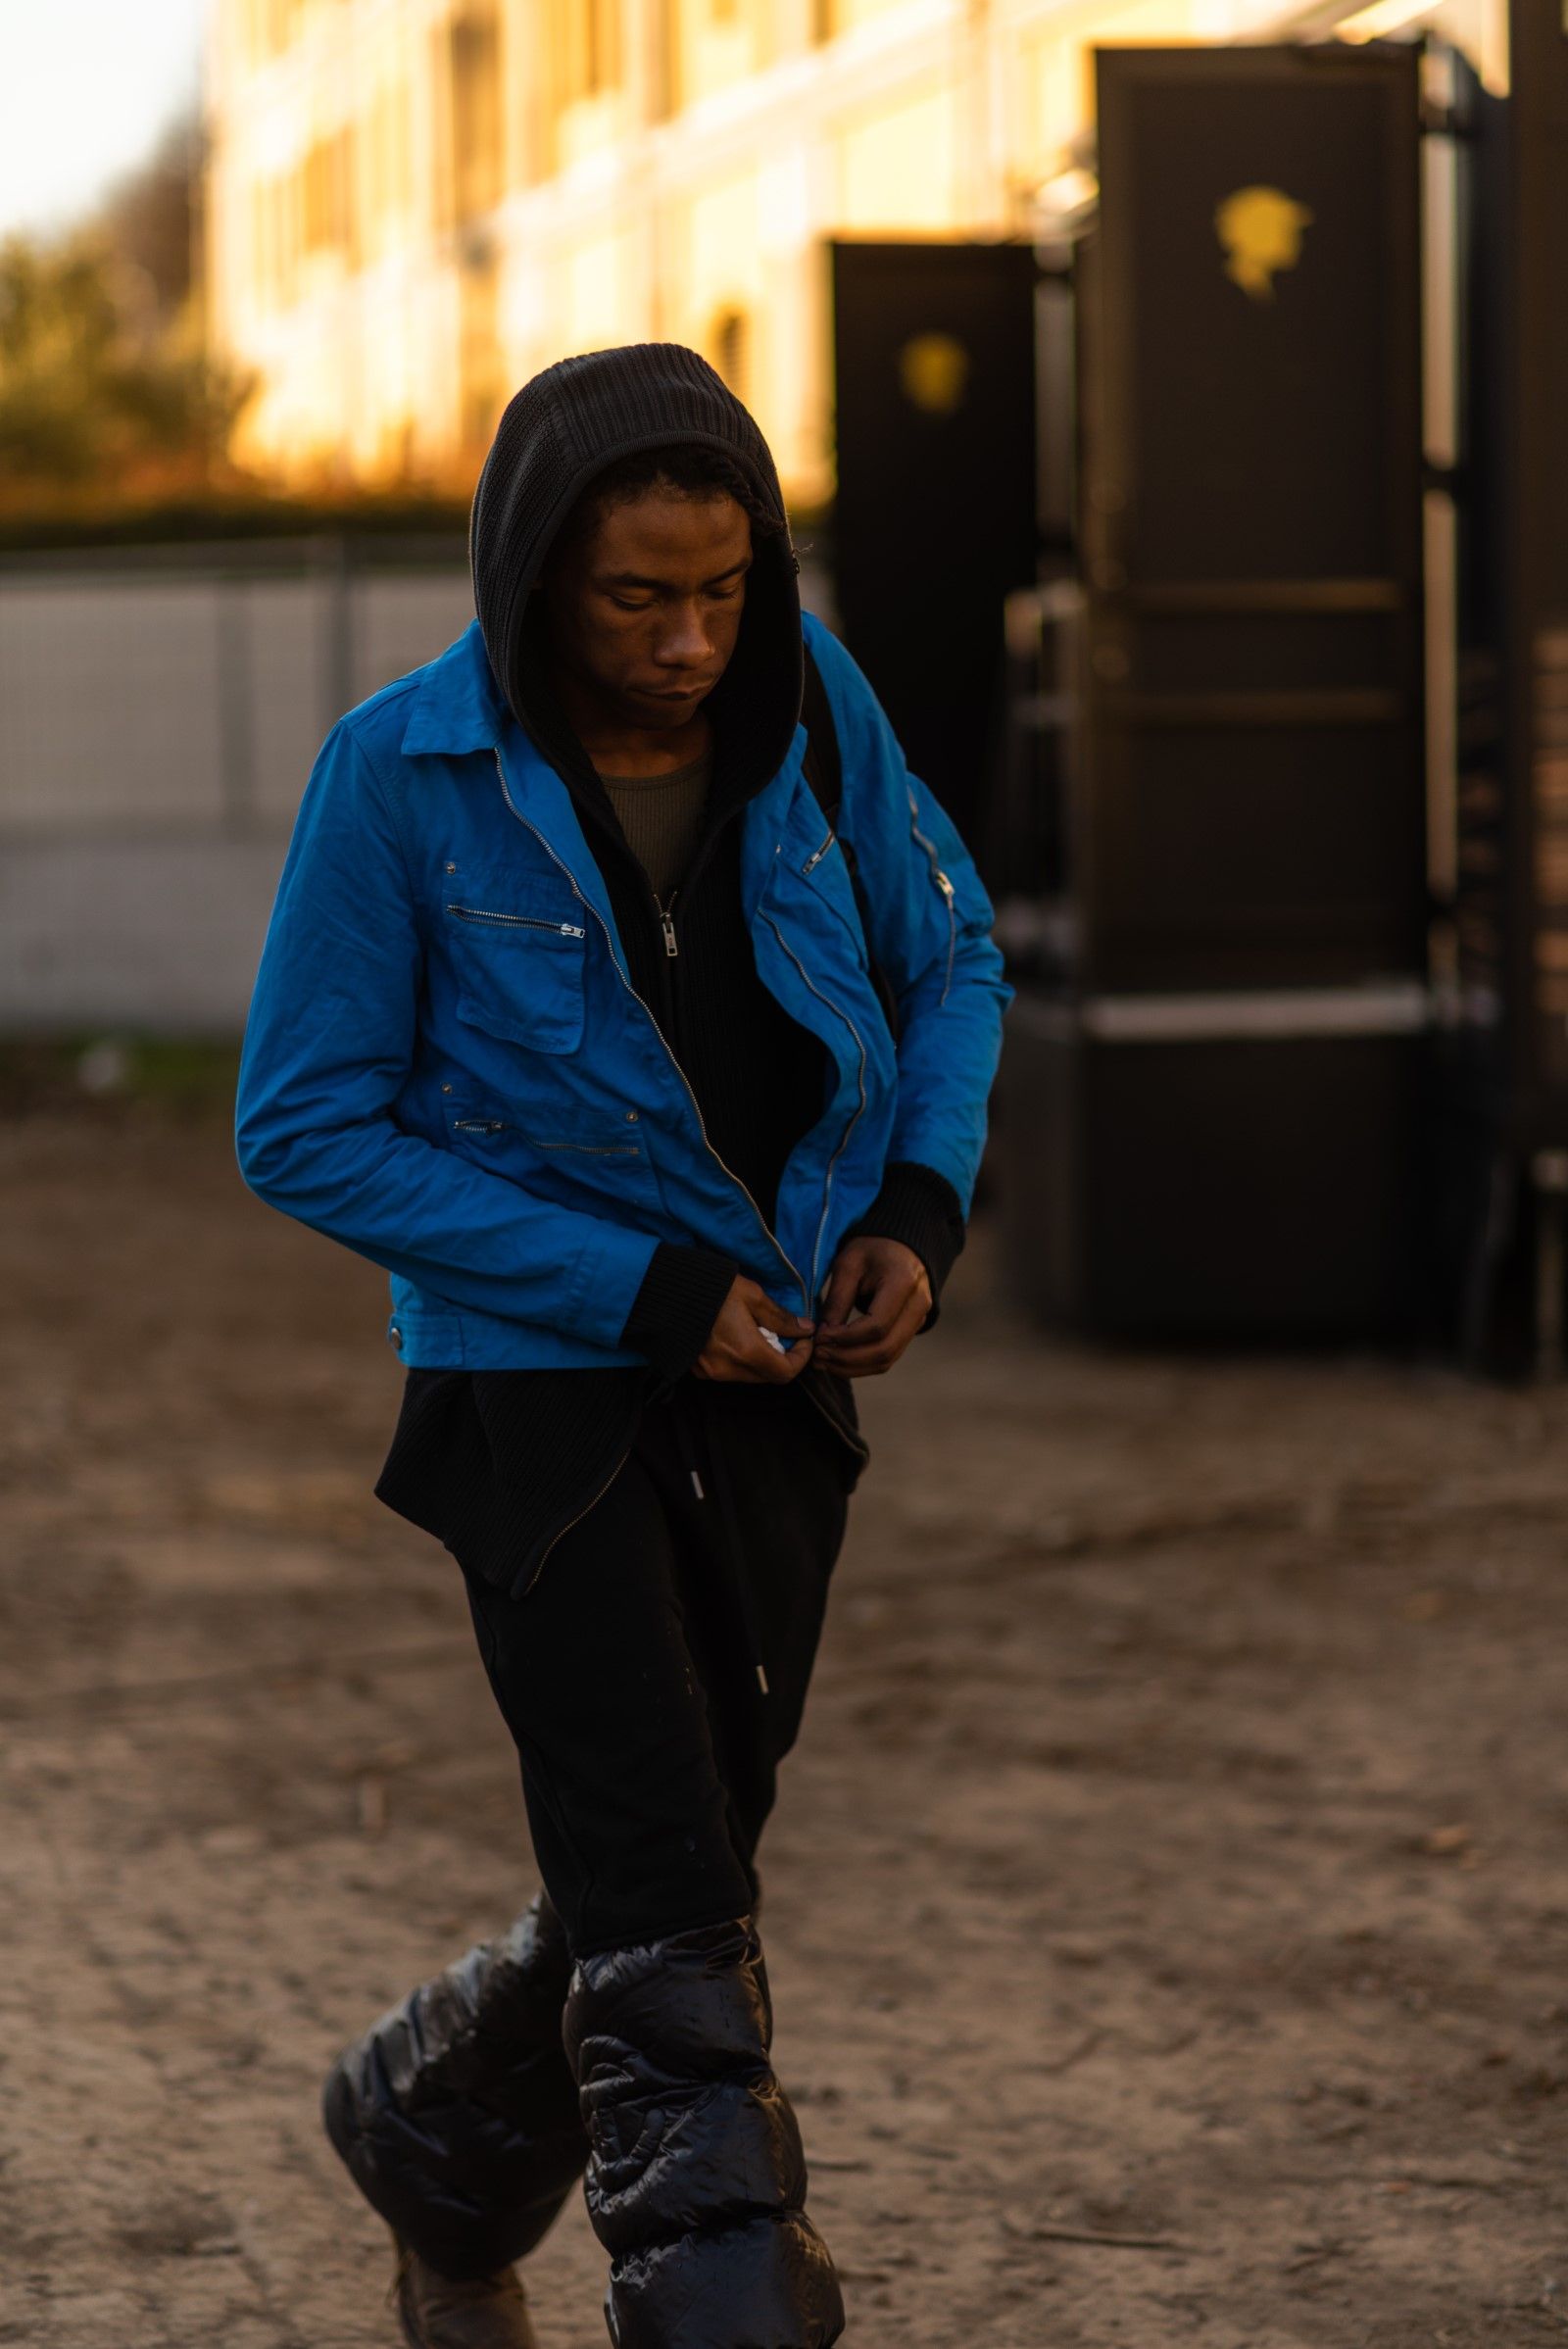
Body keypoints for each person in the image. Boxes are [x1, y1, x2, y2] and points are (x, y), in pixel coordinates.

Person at [235, 342, 1009, 2349]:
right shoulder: (395, 776)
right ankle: (723, 2296)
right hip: (533, 1397)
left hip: (784, 1376)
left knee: (672, 1847)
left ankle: (426, 2129)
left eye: (724, 590)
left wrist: (920, 1204)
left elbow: (948, 956)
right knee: (664, 1881)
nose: (688, 642)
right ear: (530, 582)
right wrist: (636, 1289)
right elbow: (302, 1121)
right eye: (633, 598)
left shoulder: (816, 709)